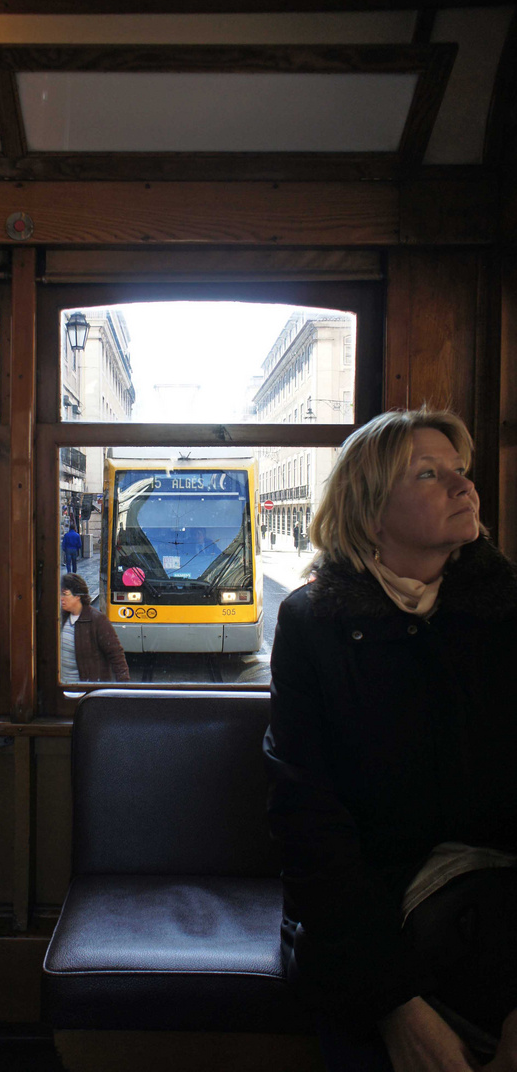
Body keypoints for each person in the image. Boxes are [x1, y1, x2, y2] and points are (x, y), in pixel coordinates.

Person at [263, 409, 517, 1072]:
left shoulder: (504, 611)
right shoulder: (310, 623)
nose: (463, 488)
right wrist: (393, 1003)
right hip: (365, 916)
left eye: (460, 472)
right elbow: (307, 817)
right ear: (371, 511)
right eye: (428, 475)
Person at [60, 573, 129, 683]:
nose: (61, 598)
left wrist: (124, 690)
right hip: (63, 691)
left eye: (65, 594)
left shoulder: (97, 620)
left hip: (86, 691)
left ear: (78, 596)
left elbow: (116, 656)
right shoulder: (61, 618)